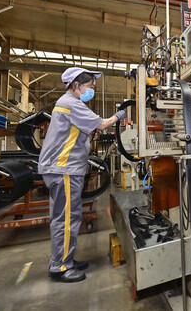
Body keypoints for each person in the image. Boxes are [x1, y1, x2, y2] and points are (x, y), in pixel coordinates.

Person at [38, 67, 126, 283]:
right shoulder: (70, 104)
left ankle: (65, 259)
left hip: (64, 168)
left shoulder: (67, 103)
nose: (92, 90)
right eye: (90, 86)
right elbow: (103, 124)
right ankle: (60, 266)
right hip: (63, 169)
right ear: (76, 85)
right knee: (66, 218)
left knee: (68, 216)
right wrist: (121, 113)